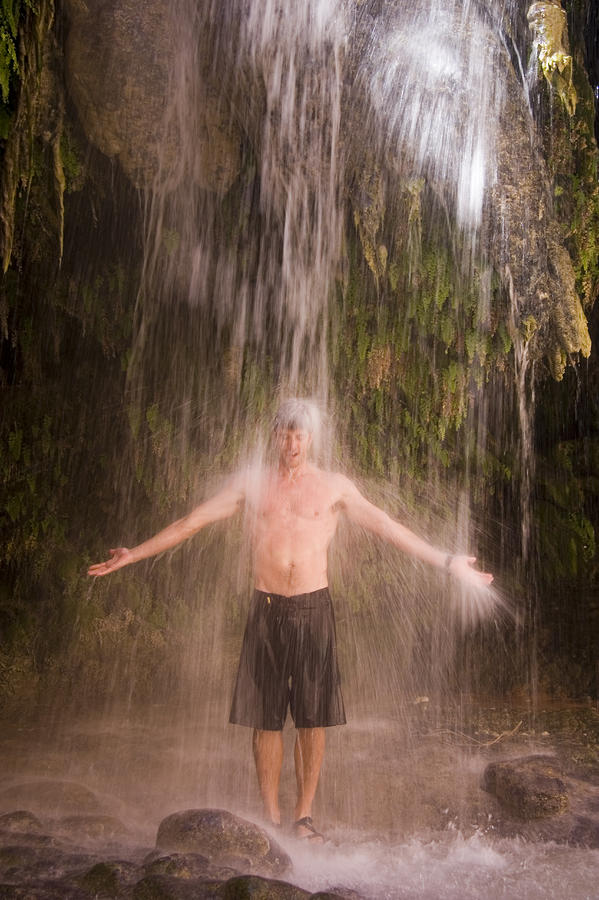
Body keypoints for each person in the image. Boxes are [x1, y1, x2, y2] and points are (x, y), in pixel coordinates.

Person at [88, 398, 493, 841]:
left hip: (313, 607)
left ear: (312, 438)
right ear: (275, 436)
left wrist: (449, 560)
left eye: (300, 434)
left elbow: (389, 528)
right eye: (285, 433)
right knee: (264, 721)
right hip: (265, 608)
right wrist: (134, 554)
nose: (292, 442)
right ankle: (271, 817)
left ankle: (303, 816)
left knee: (312, 719)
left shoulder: (335, 487)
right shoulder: (252, 485)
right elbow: (191, 522)